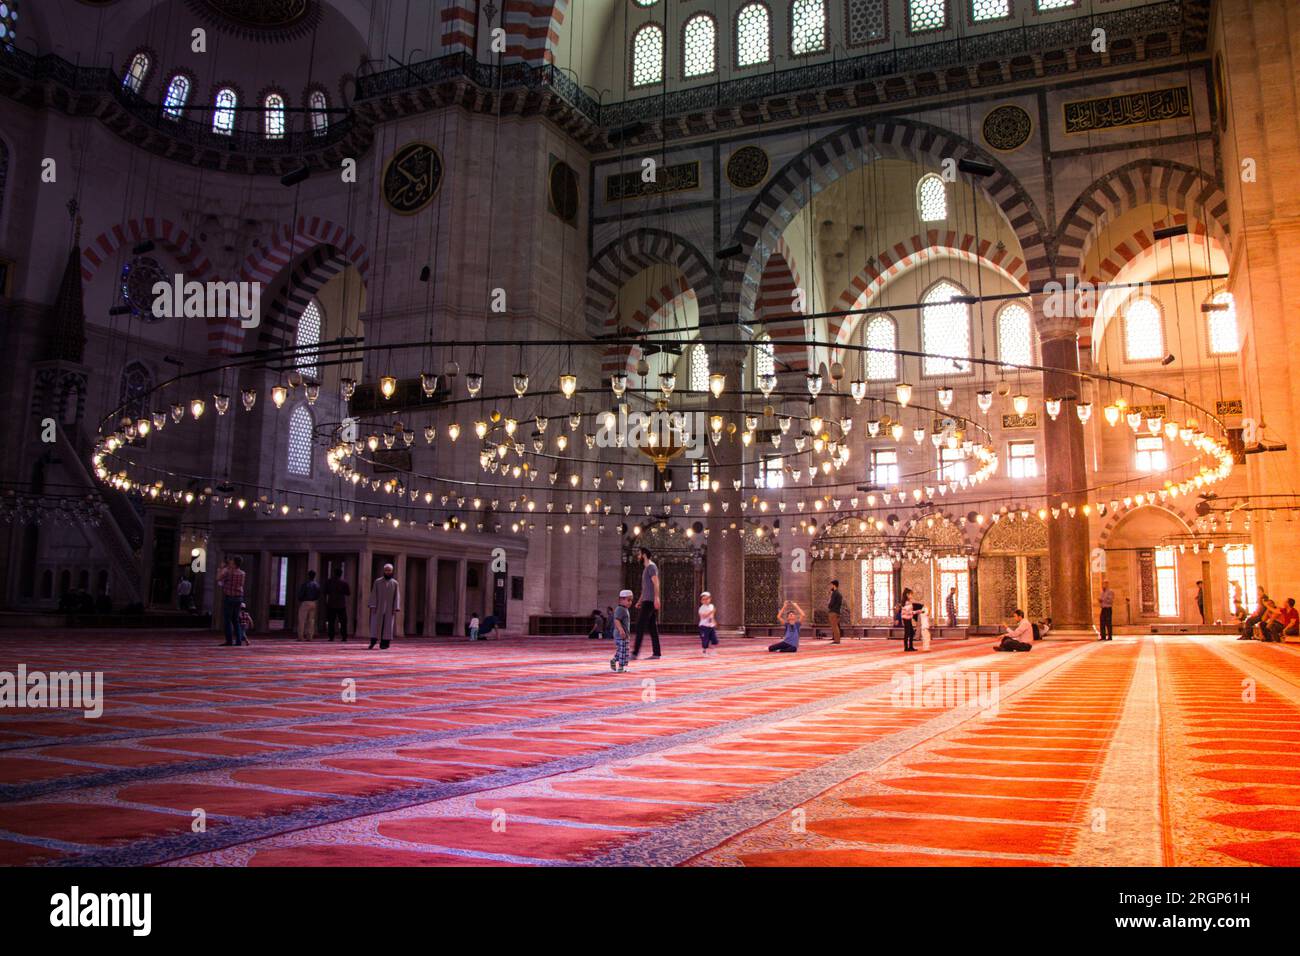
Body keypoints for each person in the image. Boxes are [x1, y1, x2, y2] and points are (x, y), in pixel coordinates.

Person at [633, 546, 662, 660]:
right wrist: (639, 601)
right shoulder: (646, 569)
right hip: (647, 600)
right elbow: (645, 589)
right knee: (652, 628)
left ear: (644, 554)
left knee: (640, 625)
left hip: (650, 601)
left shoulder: (651, 567)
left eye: (639, 554)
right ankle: (657, 653)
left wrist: (657, 598)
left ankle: (635, 653)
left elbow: (656, 583)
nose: (638, 556)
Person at [368, 563, 401, 650]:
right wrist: (373, 605)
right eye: (386, 570)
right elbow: (374, 593)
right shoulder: (378, 582)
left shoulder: (395, 583)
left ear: (392, 571)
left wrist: (395, 607)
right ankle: (373, 642)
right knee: (375, 626)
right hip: (378, 608)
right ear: (384, 571)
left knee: (387, 627)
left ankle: (385, 644)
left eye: (389, 570)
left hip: (389, 609)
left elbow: (396, 596)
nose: (387, 572)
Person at [216, 556, 246, 647]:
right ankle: (238, 640)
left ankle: (229, 641)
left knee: (227, 620)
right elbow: (241, 584)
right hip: (239, 598)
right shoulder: (242, 573)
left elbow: (218, 578)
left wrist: (221, 569)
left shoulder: (228, 572)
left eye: (231, 562)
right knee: (236, 620)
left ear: (234, 563)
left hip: (229, 597)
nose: (230, 563)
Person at [323, 567, 351, 642]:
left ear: (334, 573)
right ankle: (344, 636)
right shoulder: (344, 583)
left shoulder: (329, 582)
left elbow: (325, 591)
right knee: (343, 621)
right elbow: (348, 593)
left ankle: (331, 637)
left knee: (331, 621)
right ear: (341, 574)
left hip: (331, 604)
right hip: (341, 604)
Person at [610, 589, 633, 672]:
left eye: (631, 600)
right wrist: (621, 630)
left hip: (624, 634)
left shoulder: (624, 609)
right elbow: (616, 620)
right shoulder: (620, 609)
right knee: (623, 651)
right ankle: (621, 667)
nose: (630, 602)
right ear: (621, 599)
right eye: (628, 600)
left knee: (622, 650)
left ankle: (614, 660)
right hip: (621, 634)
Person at [296, 570, 321, 642]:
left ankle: (300, 636)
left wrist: (301, 599)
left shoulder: (305, 584)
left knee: (302, 620)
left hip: (305, 602)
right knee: (311, 620)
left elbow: (301, 594)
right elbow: (318, 594)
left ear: (308, 575)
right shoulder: (316, 585)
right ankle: (309, 636)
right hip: (313, 603)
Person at [698, 590, 719, 655]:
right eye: (704, 599)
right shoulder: (701, 608)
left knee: (714, 639)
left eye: (707, 599)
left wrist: (714, 622)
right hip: (704, 626)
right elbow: (704, 616)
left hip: (711, 626)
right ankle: (704, 651)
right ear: (701, 601)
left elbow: (712, 616)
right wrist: (711, 612)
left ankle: (713, 651)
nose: (706, 600)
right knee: (705, 639)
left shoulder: (711, 606)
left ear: (710, 599)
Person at [827, 579, 843, 644]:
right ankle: (837, 640)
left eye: (831, 585)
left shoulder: (835, 593)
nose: (830, 586)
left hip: (833, 612)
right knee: (836, 626)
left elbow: (831, 603)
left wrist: (829, 605)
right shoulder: (839, 593)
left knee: (835, 627)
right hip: (837, 611)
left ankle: (836, 640)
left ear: (834, 585)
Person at [900, 588, 916, 652]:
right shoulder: (906, 603)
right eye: (910, 594)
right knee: (907, 633)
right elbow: (908, 612)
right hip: (906, 619)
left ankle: (910, 647)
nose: (911, 596)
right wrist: (917, 612)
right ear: (907, 595)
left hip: (908, 618)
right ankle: (906, 647)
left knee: (911, 632)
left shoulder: (908, 602)